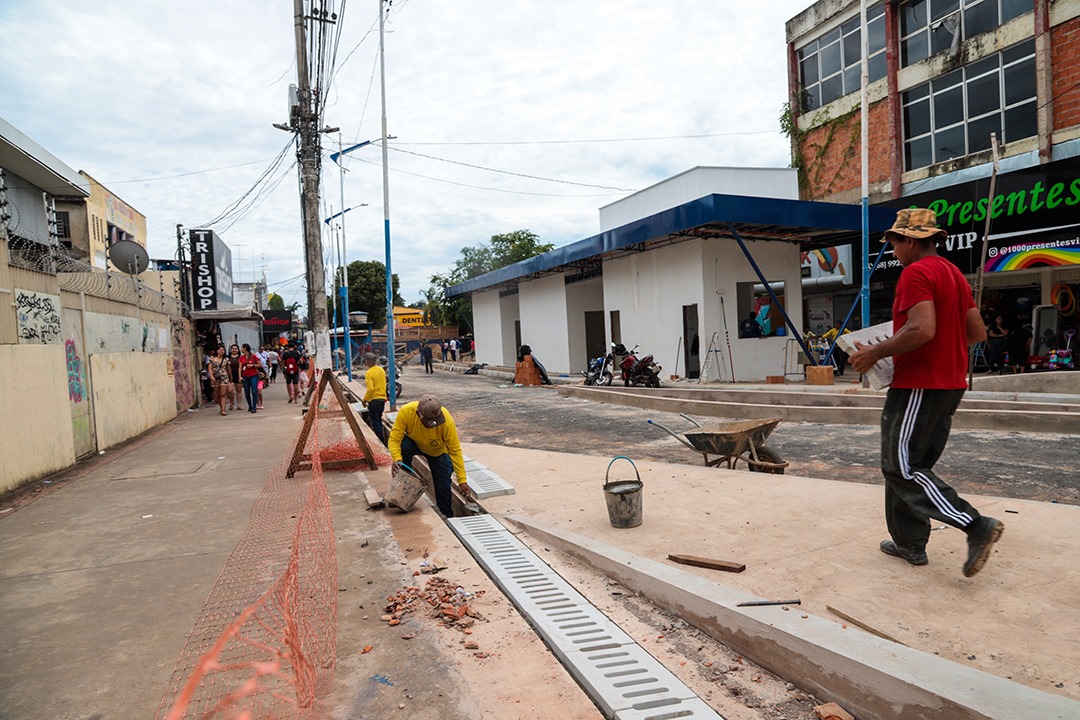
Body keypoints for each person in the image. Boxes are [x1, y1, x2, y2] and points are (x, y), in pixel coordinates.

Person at [849, 208, 1002, 578]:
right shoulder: (952, 274)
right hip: (949, 384)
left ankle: (974, 525)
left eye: (894, 242)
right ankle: (908, 543)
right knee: (913, 464)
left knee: (899, 466)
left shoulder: (916, 273)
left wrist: (873, 352)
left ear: (912, 241)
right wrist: (940, 347)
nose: (892, 249)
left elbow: (921, 329)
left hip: (919, 384)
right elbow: (976, 331)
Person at [388, 394, 472, 517]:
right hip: (414, 444)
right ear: (419, 414)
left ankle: (446, 515)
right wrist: (397, 459)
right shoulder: (407, 412)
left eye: (437, 421)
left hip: (437, 451)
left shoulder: (447, 422)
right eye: (430, 422)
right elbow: (394, 439)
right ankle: (401, 492)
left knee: (443, 485)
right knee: (403, 446)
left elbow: (455, 450)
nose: (434, 425)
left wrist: (462, 480)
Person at [361, 352, 388, 444]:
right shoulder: (381, 370)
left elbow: (370, 389)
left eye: (366, 361)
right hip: (382, 400)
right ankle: (383, 439)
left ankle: (380, 440)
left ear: (368, 361)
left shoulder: (369, 373)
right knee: (378, 419)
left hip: (374, 400)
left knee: (375, 421)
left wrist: (364, 400)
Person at [209, 345, 233, 416]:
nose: (221, 351)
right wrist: (211, 376)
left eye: (223, 350)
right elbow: (210, 368)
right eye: (220, 349)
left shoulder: (226, 359)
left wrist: (231, 376)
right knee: (217, 395)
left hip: (224, 377)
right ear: (217, 351)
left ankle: (223, 410)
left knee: (223, 394)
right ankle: (221, 407)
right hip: (215, 377)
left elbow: (228, 368)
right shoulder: (212, 359)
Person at [238, 343, 262, 413]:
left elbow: (260, 364)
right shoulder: (241, 358)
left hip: (253, 375)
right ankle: (250, 405)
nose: (241, 349)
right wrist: (240, 376)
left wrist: (253, 365)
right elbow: (240, 368)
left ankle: (254, 406)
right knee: (247, 392)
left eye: (242, 348)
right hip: (245, 376)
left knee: (254, 391)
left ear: (245, 348)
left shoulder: (253, 356)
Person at [228, 344, 242, 410]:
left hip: (238, 374)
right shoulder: (227, 357)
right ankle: (231, 402)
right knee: (230, 390)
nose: (234, 350)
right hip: (230, 375)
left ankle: (239, 404)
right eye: (233, 348)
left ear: (238, 350)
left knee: (239, 390)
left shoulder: (240, 357)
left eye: (235, 348)